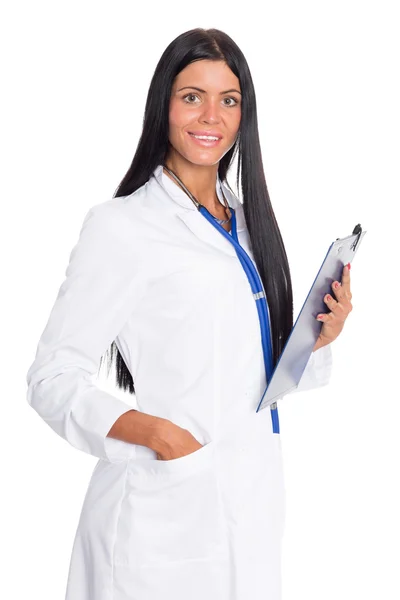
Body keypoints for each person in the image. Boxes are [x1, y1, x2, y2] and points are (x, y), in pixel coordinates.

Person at [25, 27, 352, 600]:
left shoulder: (248, 224)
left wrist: (320, 338)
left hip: (250, 506)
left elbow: (245, 375)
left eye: (228, 100)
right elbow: (52, 378)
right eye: (191, 95)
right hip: (159, 514)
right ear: (164, 105)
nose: (211, 116)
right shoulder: (122, 225)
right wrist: (156, 434)